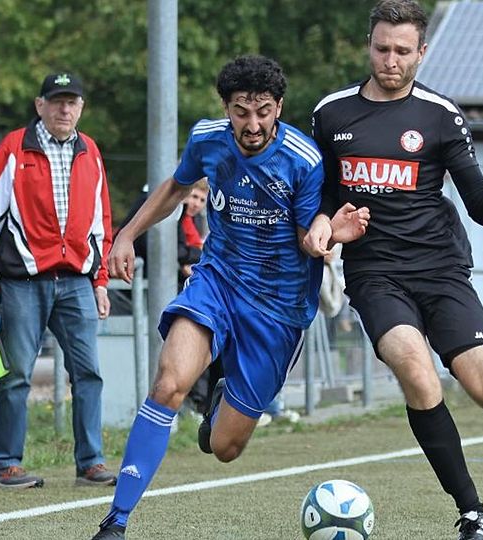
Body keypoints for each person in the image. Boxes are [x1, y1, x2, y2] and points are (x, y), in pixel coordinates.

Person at [304, 2, 483, 538]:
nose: (390, 60)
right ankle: (473, 512)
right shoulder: (331, 113)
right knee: (414, 368)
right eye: (381, 48)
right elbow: (322, 194)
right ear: (370, 44)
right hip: (375, 271)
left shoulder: (439, 114)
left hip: (439, 267)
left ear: (421, 52)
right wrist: (323, 224)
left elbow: (477, 200)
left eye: (402, 51)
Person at [90, 56, 368, 539]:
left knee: (224, 447)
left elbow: (309, 238)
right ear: (227, 107)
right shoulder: (208, 139)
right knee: (169, 384)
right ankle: (116, 521)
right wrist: (124, 236)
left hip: (278, 310)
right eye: (241, 111)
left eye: (263, 111)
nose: (253, 123)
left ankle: (222, 397)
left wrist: (333, 235)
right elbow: (176, 187)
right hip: (216, 281)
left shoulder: (302, 160)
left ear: (278, 107)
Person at [0, 72, 115, 489]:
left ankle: (91, 462)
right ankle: (4, 464)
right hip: (22, 283)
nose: (64, 109)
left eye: (72, 102)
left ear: (81, 108)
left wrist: (100, 280)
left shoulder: (91, 151)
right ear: (40, 106)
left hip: (77, 282)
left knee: (89, 374)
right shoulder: (15, 147)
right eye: (56, 101)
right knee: (17, 374)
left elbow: (101, 222)